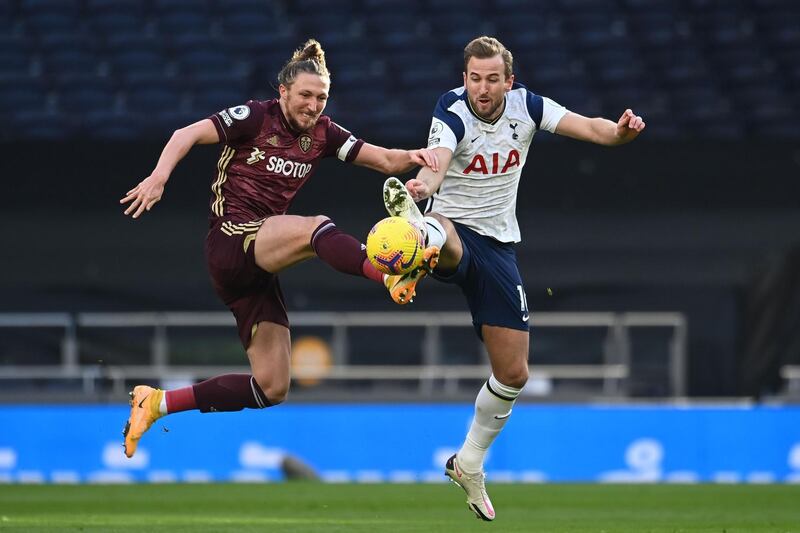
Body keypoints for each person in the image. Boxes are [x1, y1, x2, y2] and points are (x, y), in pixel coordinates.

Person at [119, 39, 439, 459]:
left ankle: (158, 403)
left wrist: (423, 158)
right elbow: (187, 133)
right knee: (316, 228)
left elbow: (383, 160)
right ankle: (388, 274)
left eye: (321, 98)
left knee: (272, 387)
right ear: (283, 92)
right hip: (232, 239)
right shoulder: (255, 116)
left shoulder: (324, 134)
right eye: (305, 95)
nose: (313, 105)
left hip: (257, 266)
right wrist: (159, 178)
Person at [382, 36, 645, 521]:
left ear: (509, 80)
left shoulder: (529, 106)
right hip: (455, 229)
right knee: (440, 230)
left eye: (492, 79)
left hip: (499, 247)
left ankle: (469, 463)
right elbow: (438, 157)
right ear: (464, 79)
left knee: (514, 373)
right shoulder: (452, 110)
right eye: (474, 78)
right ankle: (416, 239)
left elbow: (589, 127)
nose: (483, 88)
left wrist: (619, 133)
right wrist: (424, 185)